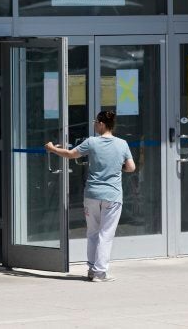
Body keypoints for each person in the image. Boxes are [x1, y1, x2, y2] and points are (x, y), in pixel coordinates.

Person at [45, 111, 135, 282]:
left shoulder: (92, 142)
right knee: (106, 234)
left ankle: (92, 269)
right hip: (112, 196)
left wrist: (52, 149)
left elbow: (71, 154)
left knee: (93, 232)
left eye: (96, 122)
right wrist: (118, 168)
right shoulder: (122, 144)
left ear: (101, 124)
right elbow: (131, 167)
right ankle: (100, 272)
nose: (94, 125)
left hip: (92, 194)